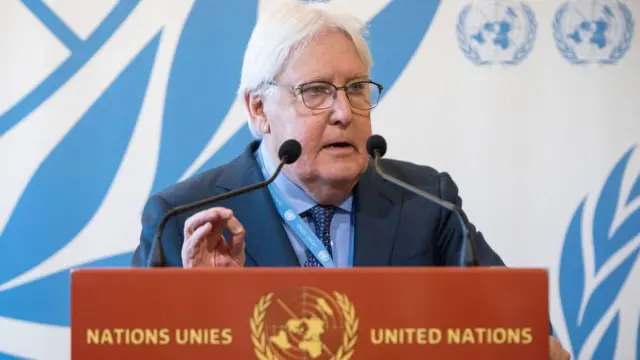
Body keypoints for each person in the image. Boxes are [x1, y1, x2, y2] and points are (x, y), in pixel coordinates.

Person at [131, 1, 569, 359]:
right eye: (316, 91)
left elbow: (526, 332)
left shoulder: (426, 202)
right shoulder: (187, 220)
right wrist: (200, 310)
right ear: (259, 109)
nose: (344, 112)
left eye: (356, 88)